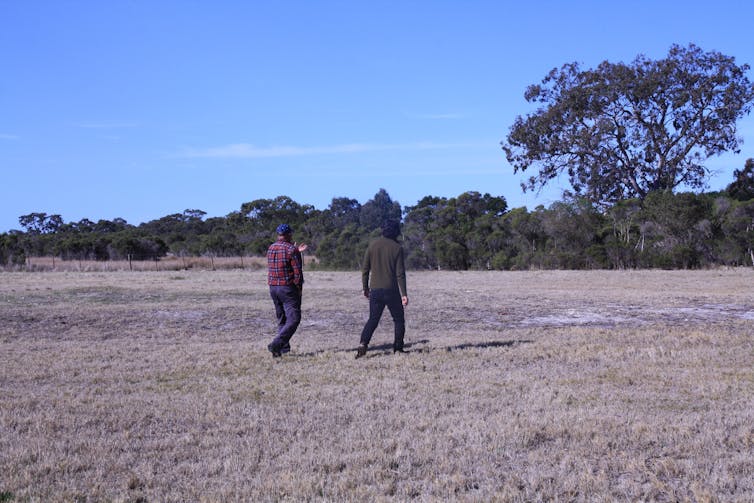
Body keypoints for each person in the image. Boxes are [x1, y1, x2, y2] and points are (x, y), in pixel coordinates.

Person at [356, 218, 409, 359]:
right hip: (391, 290)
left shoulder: (372, 246)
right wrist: (404, 293)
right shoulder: (397, 248)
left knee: (373, 319)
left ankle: (363, 343)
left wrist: (365, 288)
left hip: (375, 290)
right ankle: (398, 348)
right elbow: (400, 274)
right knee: (398, 320)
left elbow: (365, 270)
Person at [266, 223, 307, 358]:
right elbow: (297, 273)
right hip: (287, 288)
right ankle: (277, 344)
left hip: (273, 287)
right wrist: (299, 288)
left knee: (282, 318)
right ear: (289, 234)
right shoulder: (292, 250)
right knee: (294, 318)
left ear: (278, 235)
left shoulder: (271, 248)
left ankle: (283, 349)